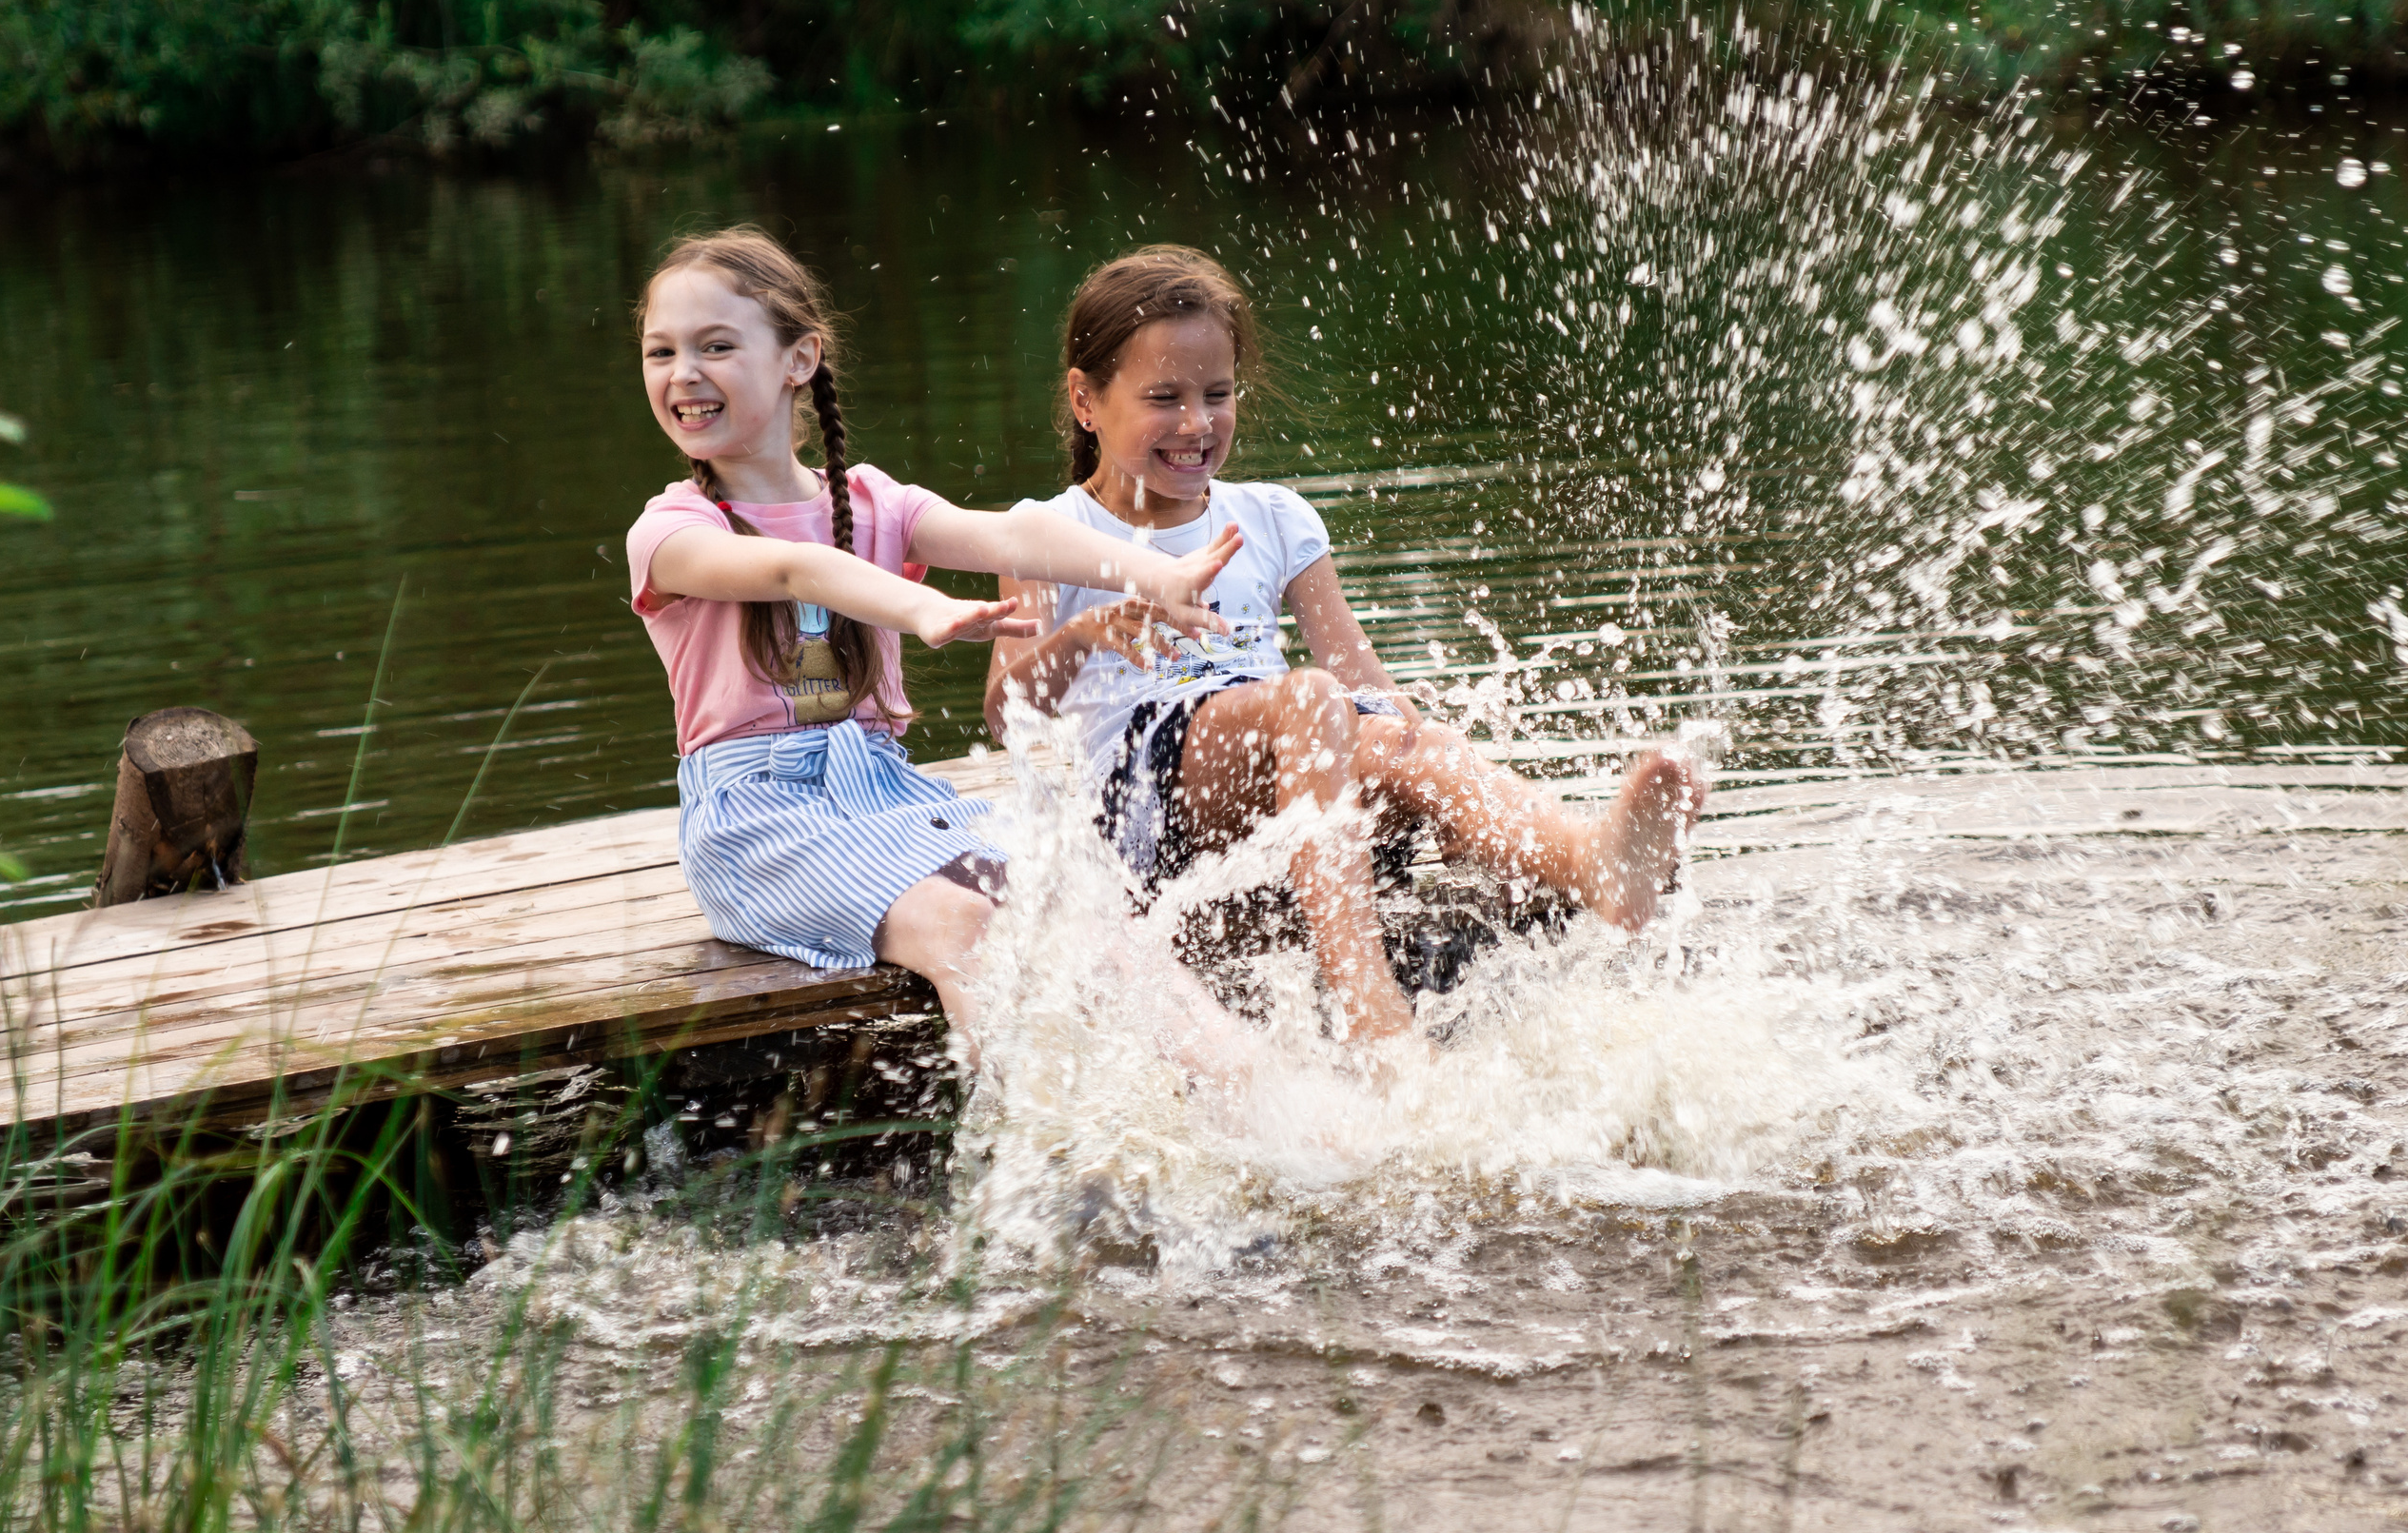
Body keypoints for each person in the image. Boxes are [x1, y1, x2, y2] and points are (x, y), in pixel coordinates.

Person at [983, 245, 1707, 1047]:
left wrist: (1422, 765)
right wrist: (1086, 635)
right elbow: (1004, 710)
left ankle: (1594, 865)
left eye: (1216, 394)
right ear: (1087, 401)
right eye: (1165, 397)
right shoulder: (1050, 532)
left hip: (1298, 778)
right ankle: (1366, 996)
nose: (1197, 423)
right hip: (1151, 806)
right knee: (1311, 698)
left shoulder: (1274, 517)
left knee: (1407, 734)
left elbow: (1364, 679)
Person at [626, 226, 1246, 1066]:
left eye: (716, 346)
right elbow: (794, 568)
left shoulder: (873, 502)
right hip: (757, 823)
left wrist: (1148, 573)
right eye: (661, 351)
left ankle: (1259, 1108)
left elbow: (1012, 534)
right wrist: (920, 606)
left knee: (1083, 900)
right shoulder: (670, 533)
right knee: (967, 923)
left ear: (799, 359)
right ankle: (1048, 1163)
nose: (683, 373)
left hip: (884, 792)